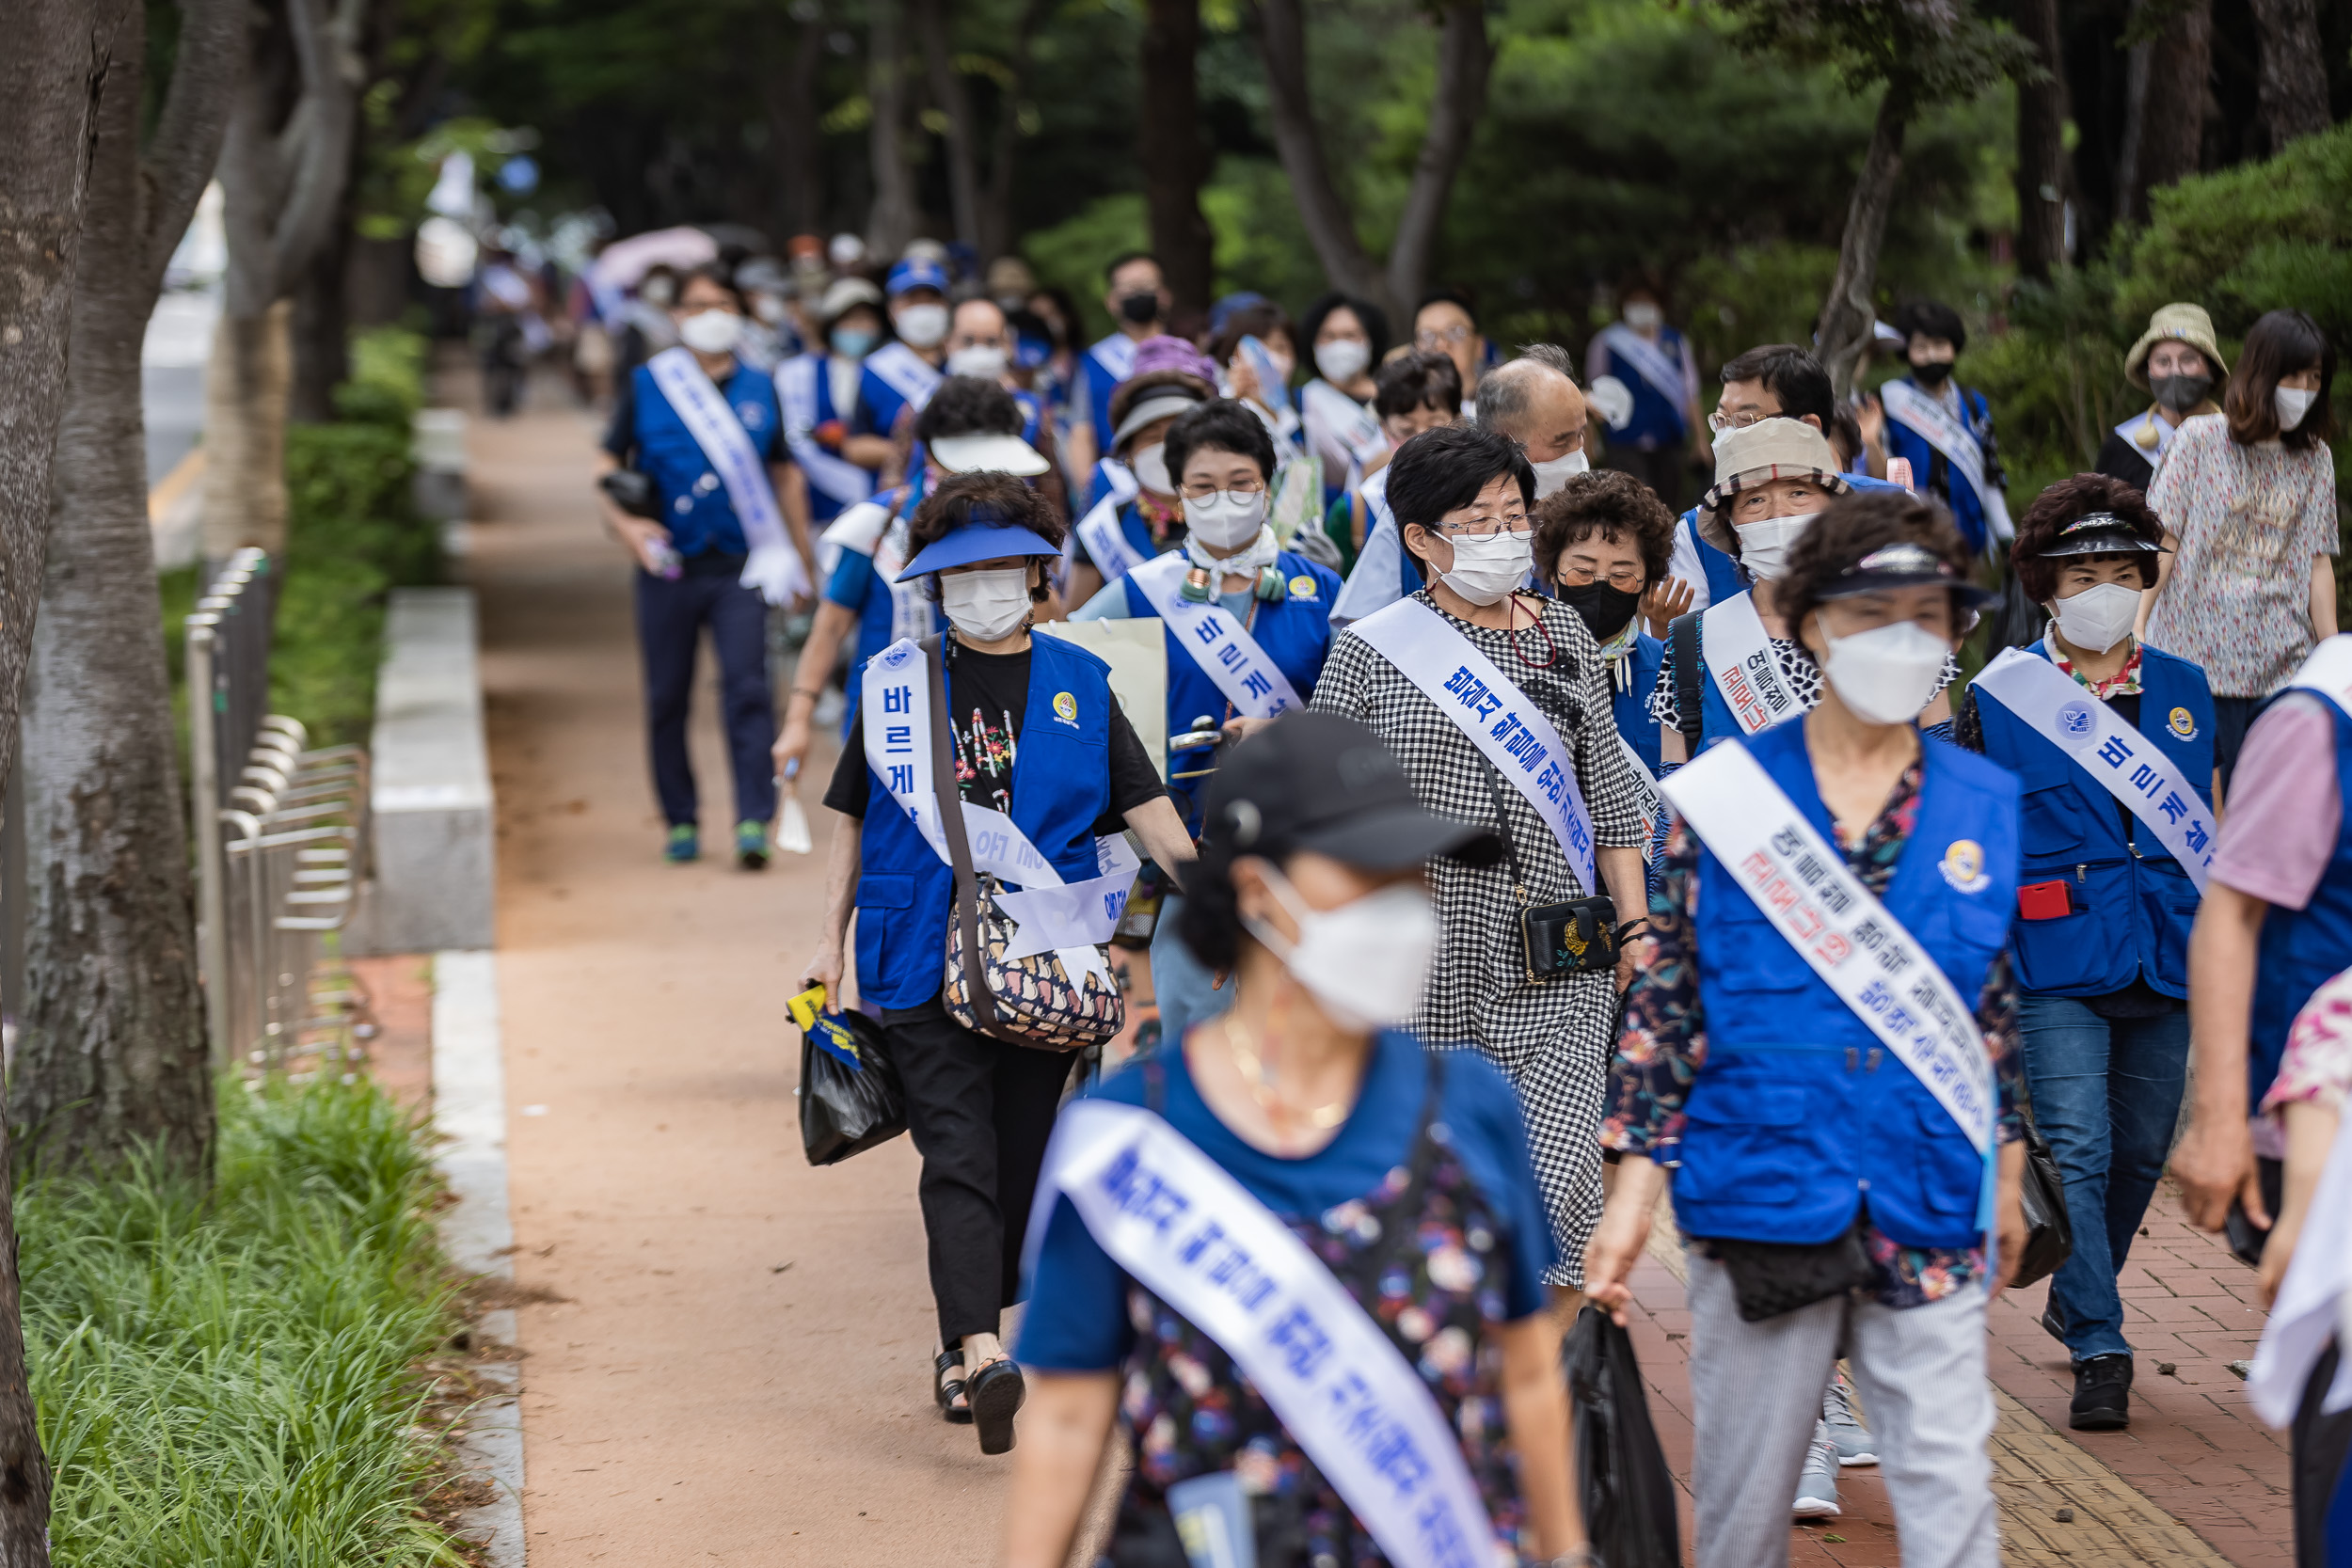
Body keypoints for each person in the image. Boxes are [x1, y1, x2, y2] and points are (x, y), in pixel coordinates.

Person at [1004, 710, 1593, 1568]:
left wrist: (1567, 1550)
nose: (1405, 910)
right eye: (1367, 875)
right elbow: (1066, 1415)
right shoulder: (1125, 1139)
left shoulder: (1469, 1106)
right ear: (1255, 894)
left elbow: (1527, 1369)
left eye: (1413, 877)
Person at [1586, 492, 2026, 1568]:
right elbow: (1668, 1001)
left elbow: (1989, 1004)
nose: (1904, 641)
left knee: (1951, 1487)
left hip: (1924, 1192)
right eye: (1873, 613)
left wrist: (2006, 1169)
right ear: (1808, 622)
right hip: (1762, 1187)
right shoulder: (1718, 798)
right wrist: (1631, 1198)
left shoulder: (1983, 799)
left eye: (1930, 617)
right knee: (1745, 1504)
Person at [802, 472, 1196, 1455]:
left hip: (1046, 960)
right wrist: (826, 940)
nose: (980, 588)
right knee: (955, 1150)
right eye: (957, 574)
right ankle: (982, 1350)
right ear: (935, 585)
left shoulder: (1080, 682)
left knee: (1022, 1157)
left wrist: (1225, 901)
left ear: (1035, 571)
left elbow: (1149, 815)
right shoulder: (895, 680)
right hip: (916, 957)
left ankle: (956, 1340)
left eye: (998, 569)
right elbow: (852, 818)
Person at [1311, 422, 1650, 1285]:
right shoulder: (1369, 651)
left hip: (1559, 956)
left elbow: (1611, 802)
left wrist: (1637, 929)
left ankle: (1547, 1393)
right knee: (1435, 1188)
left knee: (1561, 1182)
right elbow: (1318, 809)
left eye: (1513, 515)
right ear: (1421, 539)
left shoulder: (1565, 635)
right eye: (1477, 520)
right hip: (1422, 959)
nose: (1503, 537)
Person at [1952, 474, 2217, 1430]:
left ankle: (2074, 1293)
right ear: (2045, 589)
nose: (2100, 589)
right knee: (2080, 1147)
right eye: (2079, 575)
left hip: (2167, 946)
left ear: (2145, 578)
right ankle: (2100, 1340)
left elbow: (2211, 820)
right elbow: (1970, 827)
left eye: (2119, 571)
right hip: (2050, 952)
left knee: (2143, 1148)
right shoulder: (1998, 694)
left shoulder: (2186, 690)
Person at [1073, 399, 1344, 1051]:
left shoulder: (1323, 591)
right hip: (1187, 853)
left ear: (1268, 484)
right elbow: (1069, 676)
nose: (1223, 499)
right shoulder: (1139, 591)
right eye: (1202, 486)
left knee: (1307, 1030)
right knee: (1199, 1033)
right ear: (1177, 492)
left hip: (1304, 848)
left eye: (1241, 483)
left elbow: (1360, 716)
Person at [596, 263, 818, 866]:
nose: (710, 315)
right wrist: (628, 526)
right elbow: (604, 460)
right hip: (667, 565)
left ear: (740, 314)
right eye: (697, 305)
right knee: (667, 694)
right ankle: (681, 819)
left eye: (722, 303)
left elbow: (785, 473)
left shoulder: (760, 385)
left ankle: (753, 819)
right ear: (677, 315)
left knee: (748, 687)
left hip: (741, 566)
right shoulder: (648, 383)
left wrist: (803, 562)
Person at [774, 375, 1054, 778]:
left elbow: (1046, 622)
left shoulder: (1020, 527)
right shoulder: (878, 524)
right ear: (931, 452)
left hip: (994, 724)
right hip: (889, 725)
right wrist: (798, 719)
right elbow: (830, 627)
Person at [1650, 419, 1957, 765]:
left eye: (1798, 493)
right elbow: (1673, 791)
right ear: (1733, 528)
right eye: (1755, 500)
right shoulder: (1691, 642)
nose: (1779, 514)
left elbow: (1944, 758)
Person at [2142, 308, 2340, 784]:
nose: (2305, 389)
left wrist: (2333, 658)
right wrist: (2136, 627)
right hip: (2194, 664)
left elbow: (2318, 564)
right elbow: (2162, 543)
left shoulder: (2315, 459)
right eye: (2293, 374)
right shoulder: (2199, 440)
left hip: (2282, 670)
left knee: (2272, 815)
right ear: (2261, 371)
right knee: (2202, 816)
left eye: (2315, 378)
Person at [1329, 344, 1590, 628]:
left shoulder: (1594, 515)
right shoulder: (1422, 509)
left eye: (1581, 435)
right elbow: (1360, 626)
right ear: (1506, 439)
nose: (1578, 453)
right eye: (1561, 442)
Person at [1532, 470, 1673, 783]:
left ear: (1647, 585)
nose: (1600, 586)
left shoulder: (1672, 673)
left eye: (1621, 576)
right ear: (1553, 575)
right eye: (1582, 571)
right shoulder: (1513, 666)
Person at [1060, 337, 1217, 608]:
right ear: (1129, 453)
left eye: (1179, 434)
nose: (1166, 448)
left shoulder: (1230, 509)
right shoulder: (1106, 526)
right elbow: (1073, 621)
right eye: (1151, 436)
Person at [1878, 299, 2010, 555]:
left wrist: (2005, 534)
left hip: (1969, 540)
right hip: (1914, 537)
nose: (1931, 355)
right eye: (1921, 347)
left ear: (1954, 346)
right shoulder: (1888, 402)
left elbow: (1990, 472)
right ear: (1907, 351)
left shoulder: (1974, 404)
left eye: (1940, 345)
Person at [1328, 348, 1461, 577]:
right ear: (1384, 428)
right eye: (1406, 429)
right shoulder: (1357, 509)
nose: (1422, 439)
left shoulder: (1483, 499)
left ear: (1457, 420)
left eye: (1435, 426)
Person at [942, 296, 1069, 519]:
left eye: (991, 342)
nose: (979, 352)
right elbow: (902, 484)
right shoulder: (922, 407)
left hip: (1013, 525)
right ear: (948, 343)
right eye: (968, 341)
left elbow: (1050, 485)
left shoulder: (1033, 409)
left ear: (1008, 345)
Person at [779, 276, 886, 531]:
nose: (857, 329)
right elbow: (795, 438)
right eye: (848, 320)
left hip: (884, 492)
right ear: (832, 325)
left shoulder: (888, 368)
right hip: (826, 505)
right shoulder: (800, 373)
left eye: (865, 320)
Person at [1585, 280, 1704, 510]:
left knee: (1669, 506)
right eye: (1635, 301)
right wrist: (1590, 442)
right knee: (1633, 507)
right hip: (1623, 441)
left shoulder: (1675, 342)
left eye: (1647, 301)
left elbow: (1690, 393)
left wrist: (1700, 440)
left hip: (1669, 440)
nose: (1641, 306)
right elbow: (1592, 395)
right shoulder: (1607, 342)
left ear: (1660, 305)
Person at [2097, 303, 2230, 492]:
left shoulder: (2237, 440)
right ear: (2148, 370)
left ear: (2212, 371)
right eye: (2162, 361)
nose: (2175, 371)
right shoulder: (2120, 448)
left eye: (2188, 359)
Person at [1071, 252, 1173, 478]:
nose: (1137, 294)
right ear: (1112, 301)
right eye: (1129, 288)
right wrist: (1089, 491)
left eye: (1146, 285)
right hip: (1119, 482)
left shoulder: (1186, 357)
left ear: (1164, 295)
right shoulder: (1094, 362)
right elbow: (1082, 432)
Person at [852, 255, 952, 458]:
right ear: (892, 310)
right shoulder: (876, 370)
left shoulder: (964, 363)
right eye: (912, 300)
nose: (923, 309)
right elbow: (855, 447)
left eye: (931, 299)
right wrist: (919, 453)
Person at [1296, 292, 1388, 498]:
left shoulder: (1396, 398)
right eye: (1328, 336)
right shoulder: (1301, 403)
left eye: (1350, 336)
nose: (1339, 345)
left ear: (1371, 341)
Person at [1413, 289, 1488, 414]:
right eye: (1428, 336)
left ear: (1479, 346)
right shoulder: (1399, 413)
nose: (1441, 344)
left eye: (1455, 332)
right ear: (1416, 349)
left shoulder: (1500, 410)